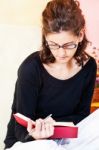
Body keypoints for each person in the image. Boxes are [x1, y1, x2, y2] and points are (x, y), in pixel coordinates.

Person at [4, 0, 98, 149]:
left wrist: (55, 125)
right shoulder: (31, 68)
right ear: (45, 37)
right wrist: (36, 135)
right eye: (53, 44)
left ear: (80, 35)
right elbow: (19, 129)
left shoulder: (89, 66)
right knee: (47, 146)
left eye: (68, 45)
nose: (61, 53)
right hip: (28, 142)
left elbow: (82, 116)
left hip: (65, 140)